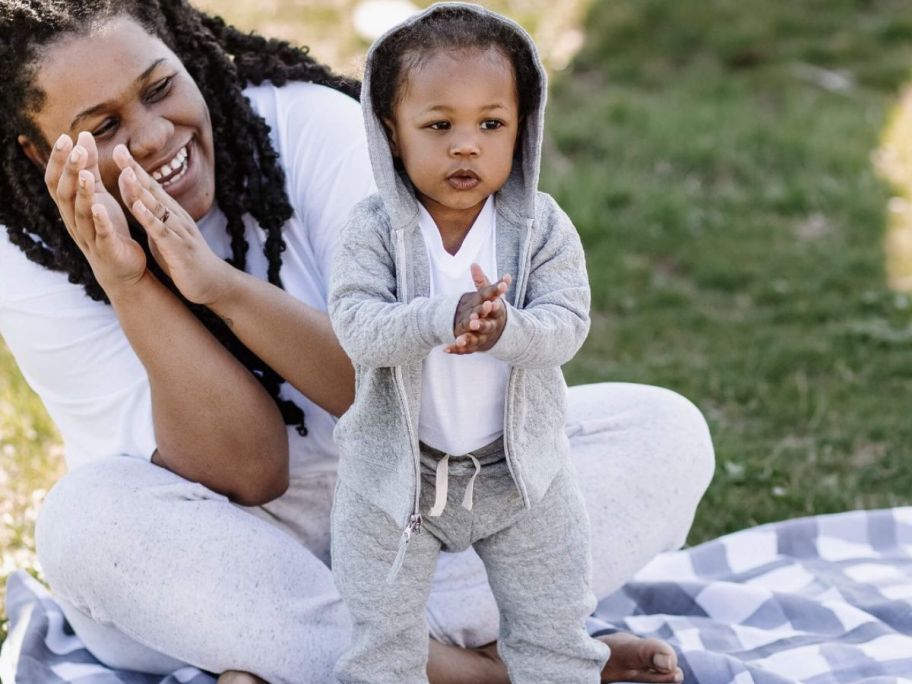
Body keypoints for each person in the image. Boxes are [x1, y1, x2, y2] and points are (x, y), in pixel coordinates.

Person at [0, 0, 714, 682]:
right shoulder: (26, 262)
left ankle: (305, 663)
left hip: (410, 503)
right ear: (39, 153)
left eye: (160, 87)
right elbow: (248, 473)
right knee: (81, 525)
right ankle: (483, 669)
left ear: (185, 58)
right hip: (213, 552)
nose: (154, 135)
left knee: (663, 431)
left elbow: (423, 393)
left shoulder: (312, 128)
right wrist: (133, 286)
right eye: (102, 127)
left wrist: (219, 284)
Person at [327, 4, 607, 681]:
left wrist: (507, 330)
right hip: (398, 479)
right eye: (438, 125)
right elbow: (358, 328)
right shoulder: (372, 229)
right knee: (380, 646)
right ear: (392, 134)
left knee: (555, 632)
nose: (465, 145)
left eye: (491, 124)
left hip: (519, 474)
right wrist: (441, 316)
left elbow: (567, 325)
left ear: (523, 129)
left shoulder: (539, 226)